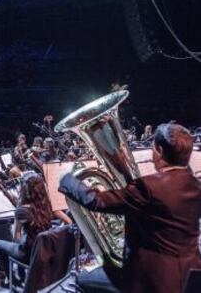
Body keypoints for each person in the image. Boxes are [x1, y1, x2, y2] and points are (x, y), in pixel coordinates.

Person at [59, 123, 201, 293]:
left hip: (149, 278)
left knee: (80, 280)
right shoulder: (195, 185)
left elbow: (96, 201)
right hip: (190, 274)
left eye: (152, 148)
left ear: (160, 151)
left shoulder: (148, 187)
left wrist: (67, 179)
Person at [0, 172, 53, 287]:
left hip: (29, 255)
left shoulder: (22, 210)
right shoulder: (47, 204)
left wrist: (18, 207)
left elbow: (16, 236)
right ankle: (22, 275)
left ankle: (13, 281)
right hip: (46, 250)